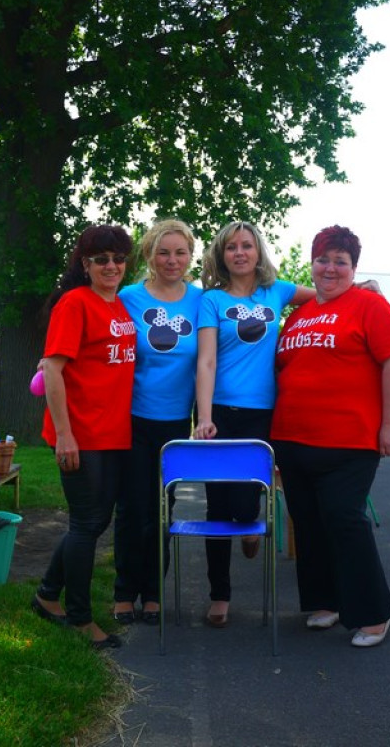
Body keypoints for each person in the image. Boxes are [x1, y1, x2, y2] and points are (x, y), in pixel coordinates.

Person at [270, 225, 390, 648]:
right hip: (293, 440)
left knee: (343, 519)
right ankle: (324, 602)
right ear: (311, 264)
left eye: (340, 261)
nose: (330, 268)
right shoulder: (298, 315)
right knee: (308, 524)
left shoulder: (370, 306)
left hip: (349, 441)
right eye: (323, 259)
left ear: (354, 267)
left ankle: (373, 613)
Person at [192, 220, 314, 628]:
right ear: (221, 255)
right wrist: (204, 418)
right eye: (231, 247)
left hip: (264, 414)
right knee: (216, 507)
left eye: (247, 245)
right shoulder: (211, 301)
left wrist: (363, 287)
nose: (240, 253)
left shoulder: (276, 292)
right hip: (220, 412)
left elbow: (330, 295)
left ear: (258, 252)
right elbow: (206, 360)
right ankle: (220, 596)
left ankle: (248, 529)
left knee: (245, 505)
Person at [30, 224, 137, 650]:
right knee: (87, 523)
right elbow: (51, 370)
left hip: (113, 433)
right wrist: (65, 435)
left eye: (117, 258)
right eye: (101, 260)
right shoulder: (75, 304)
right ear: (85, 264)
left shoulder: (119, 306)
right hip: (81, 434)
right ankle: (78, 618)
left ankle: (45, 596)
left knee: (93, 522)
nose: (111, 266)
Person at [113, 219, 202, 626]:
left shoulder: (202, 300)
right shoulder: (128, 297)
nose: (172, 260)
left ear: (190, 256)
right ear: (149, 254)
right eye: (163, 252)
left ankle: (153, 593)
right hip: (131, 419)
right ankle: (123, 593)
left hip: (174, 425)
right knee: (132, 508)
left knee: (162, 509)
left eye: (180, 252)